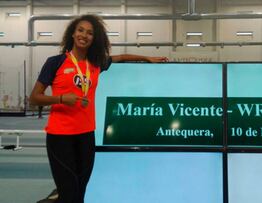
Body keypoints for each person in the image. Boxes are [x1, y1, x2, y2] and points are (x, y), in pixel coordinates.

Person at [30, 14, 167, 203]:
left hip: (86, 135)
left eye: (90, 33)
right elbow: (34, 98)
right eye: (80, 30)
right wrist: (61, 98)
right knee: (69, 193)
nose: (84, 35)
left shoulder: (96, 64)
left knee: (81, 192)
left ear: (95, 39)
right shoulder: (55, 62)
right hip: (60, 137)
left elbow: (121, 57)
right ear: (72, 33)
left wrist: (147, 58)